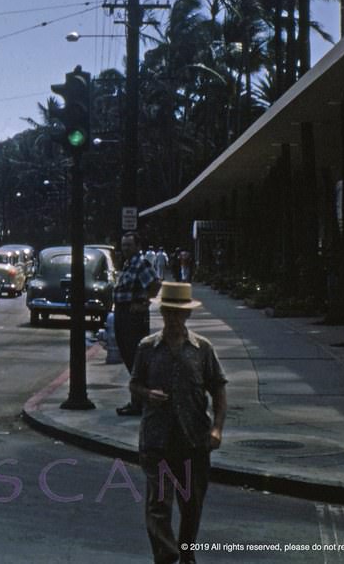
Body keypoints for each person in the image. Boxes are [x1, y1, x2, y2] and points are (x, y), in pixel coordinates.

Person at [129, 282, 227, 564]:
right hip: (157, 440)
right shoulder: (147, 348)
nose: (172, 318)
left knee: (191, 504)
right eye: (168, 312)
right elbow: (134, 384)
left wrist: (217, 428)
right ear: (162, 312)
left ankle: (186, 554)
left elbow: (218, 390)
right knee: (159, 504)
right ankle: (166, 554)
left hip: (193, 439)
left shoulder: (202, 349)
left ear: (186, 316)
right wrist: (147, 394)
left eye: (177, 313)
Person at [113, 231, 161, 415]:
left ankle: (139, 402)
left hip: (132, 317)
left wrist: (143, 303)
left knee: (136, 359)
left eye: (129, 245)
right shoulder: (127, 264)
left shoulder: (141, 264)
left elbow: (155, 285)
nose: (125, 249)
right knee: (128, 356)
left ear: (137, 247)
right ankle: (137, 400)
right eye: (123, 245)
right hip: (122, 314)